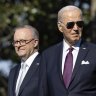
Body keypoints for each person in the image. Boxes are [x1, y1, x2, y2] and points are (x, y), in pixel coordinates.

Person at [38, 5, 96, 96]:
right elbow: (43, 91)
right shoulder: (47, 56)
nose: (76, 28)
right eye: (70, 24)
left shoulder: (94, 52)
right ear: (60, 27)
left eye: (79, 24)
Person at [8, 25, 40, 96]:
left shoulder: (47, 65)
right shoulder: (13, 71)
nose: (19, 45)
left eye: (23, 41)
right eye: (16, 42)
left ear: (35, 43)